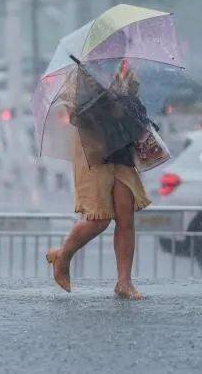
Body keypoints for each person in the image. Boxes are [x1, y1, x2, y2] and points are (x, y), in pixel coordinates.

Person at [46, 63, 152, 299]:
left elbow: (135, 108)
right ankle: (63, 256)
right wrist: (105, 103)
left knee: (126, 216)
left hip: (121, 148)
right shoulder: (79, 75)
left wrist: (124, 97)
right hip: (94, 150)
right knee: (99, 219)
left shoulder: (125, 73)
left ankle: (124, 283)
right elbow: (75, 116)